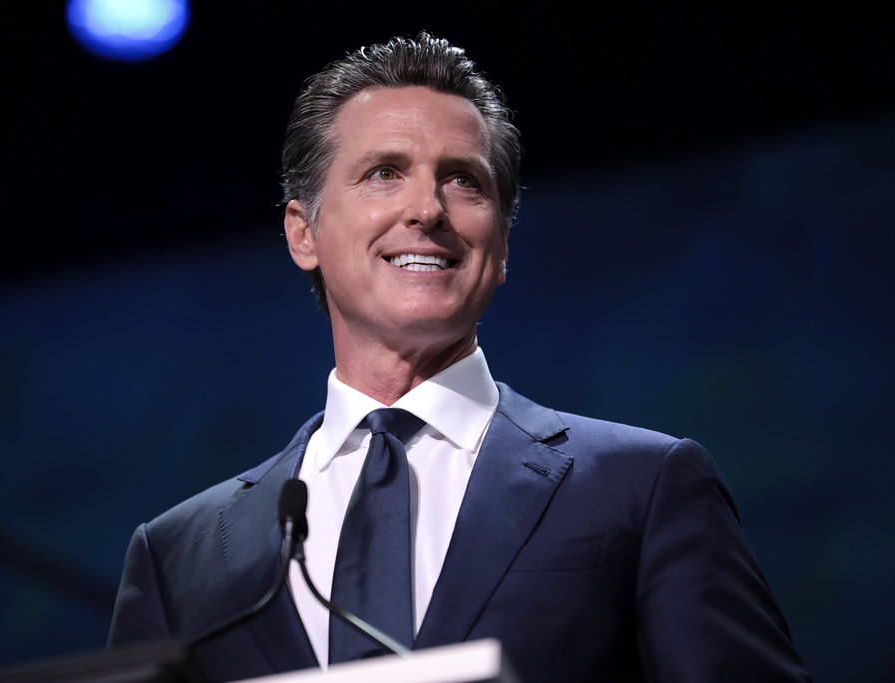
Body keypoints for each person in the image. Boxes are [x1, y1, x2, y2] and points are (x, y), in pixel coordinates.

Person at [107, 32, 811, 682]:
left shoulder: (644, 486)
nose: (427, 208)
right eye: (385, 172)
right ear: (304, 233)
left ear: (500, 245)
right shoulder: (178, 555)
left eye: (463, 180)